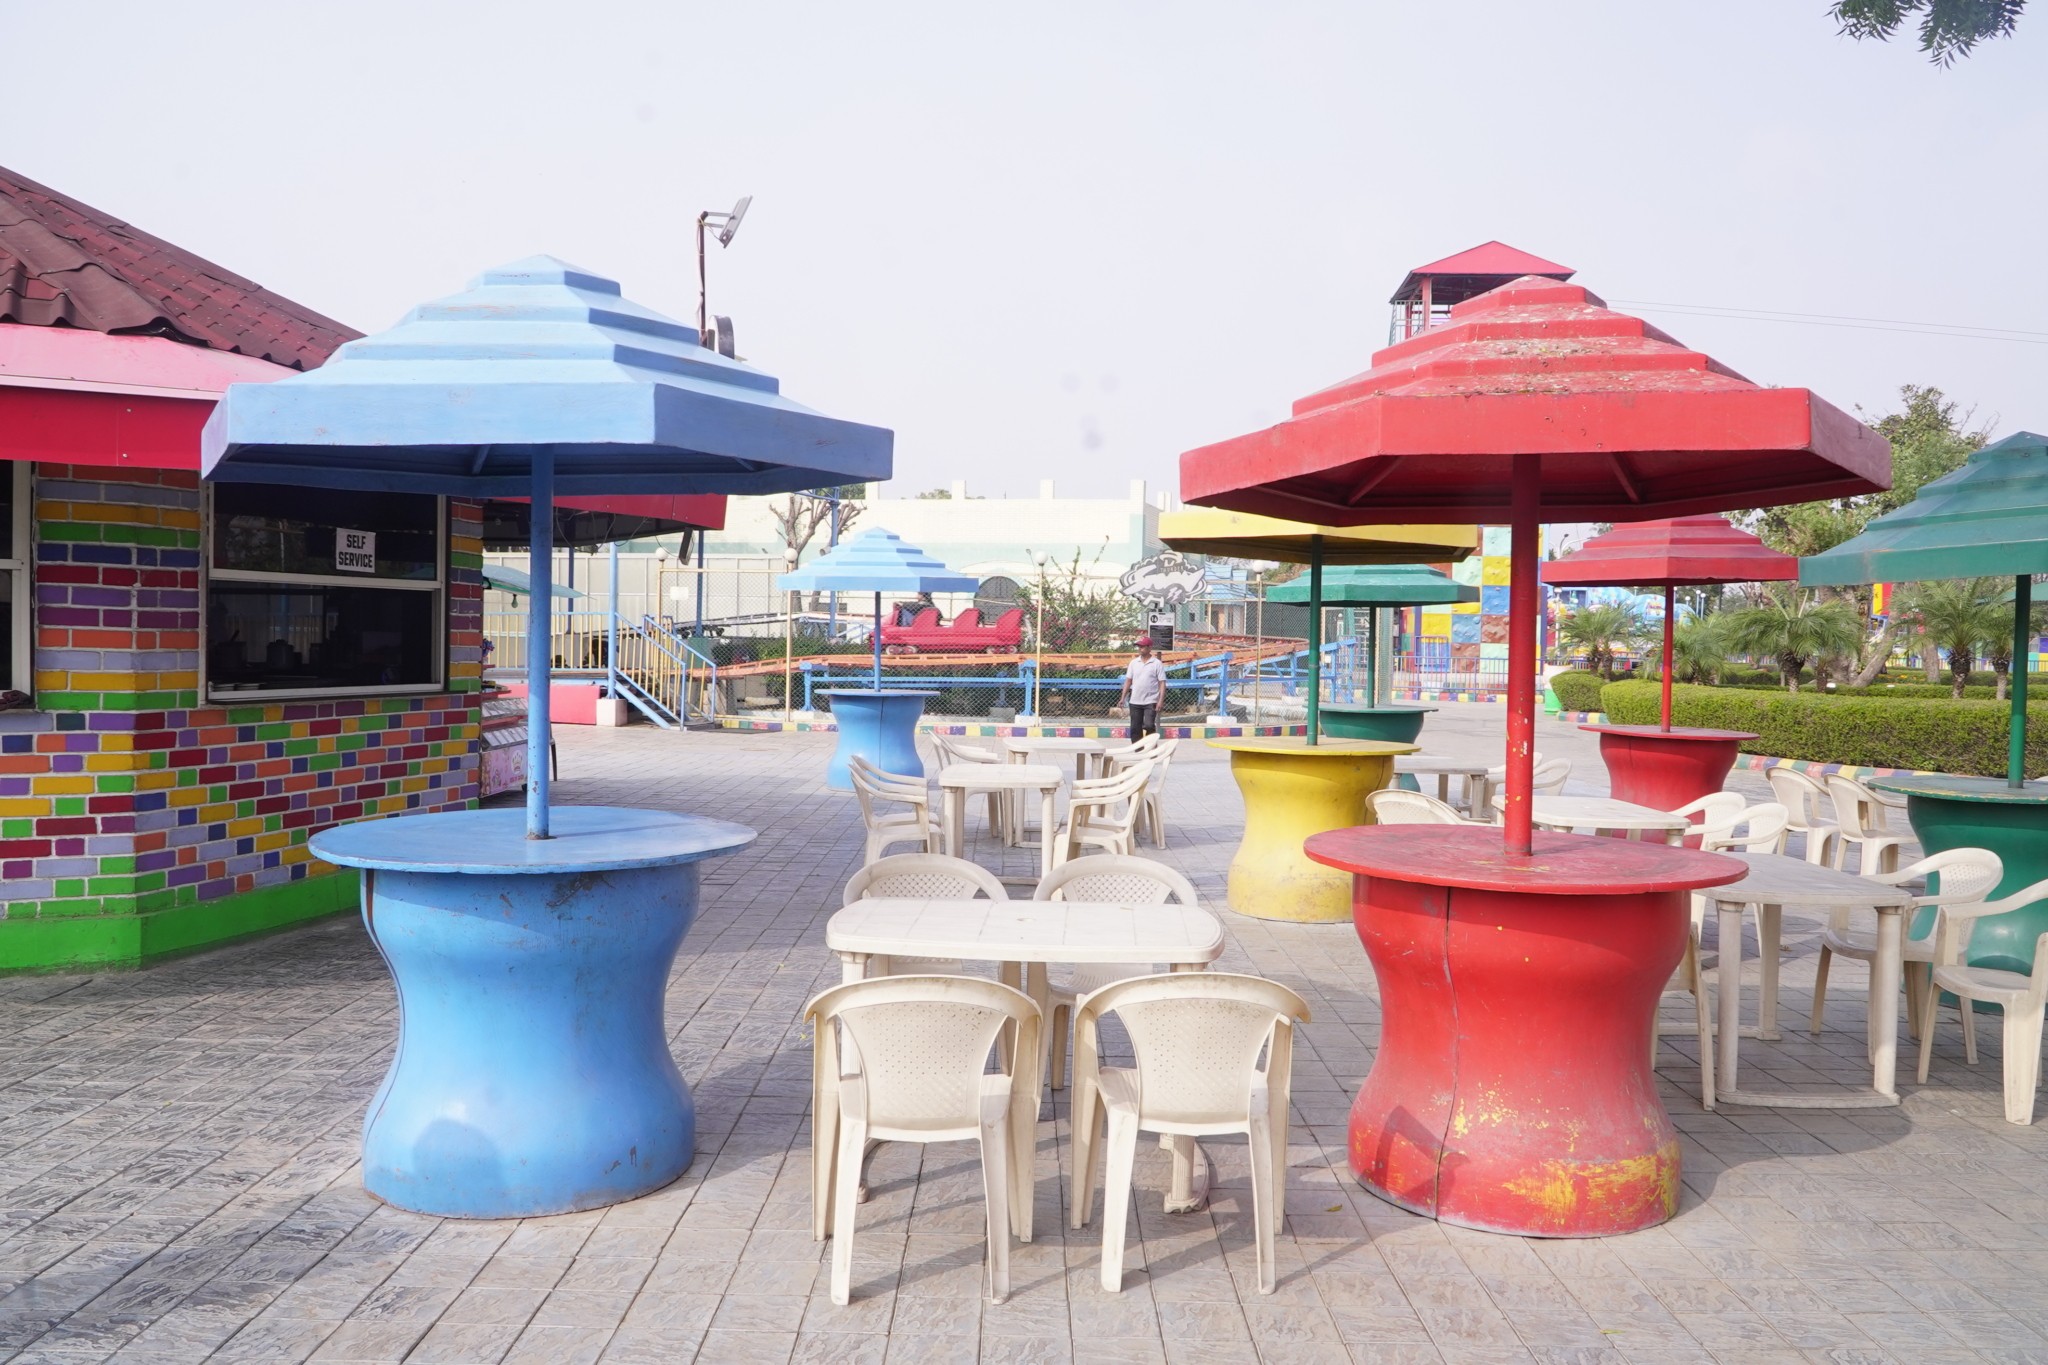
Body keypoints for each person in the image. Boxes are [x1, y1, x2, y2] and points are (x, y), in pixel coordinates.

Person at [1117, 637, 1166, 742]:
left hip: (1151, 701)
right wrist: (1123, 698)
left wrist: (1160, 701)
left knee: (1149, 725)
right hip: (1135, 701)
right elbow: (1128, 681)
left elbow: (1162, 683)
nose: (1140, 649)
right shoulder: (1133, 663)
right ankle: (1138, 751)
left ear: (1149, 648)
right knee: (1135, 728)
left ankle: (1151, 747)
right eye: (1138, 646)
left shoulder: (1157, 663)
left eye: (1142, 646)